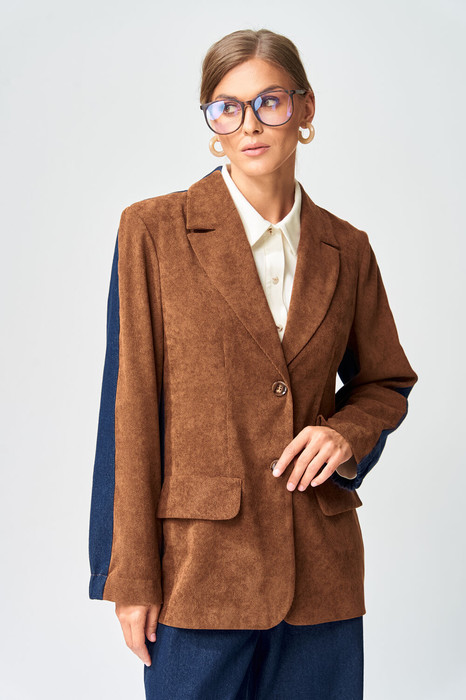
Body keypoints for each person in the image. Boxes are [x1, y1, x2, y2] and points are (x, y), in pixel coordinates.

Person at [88, 28, 418, 700]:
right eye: (227, 107)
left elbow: (385, 383)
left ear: (305, 108)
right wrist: (130, 577)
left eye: (269, 101)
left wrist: (345, 434)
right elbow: (129, 409)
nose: (249, 124)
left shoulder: (347, 249)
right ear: (211, 121)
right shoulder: (153, 232)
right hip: (197, 578)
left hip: (321, 581)